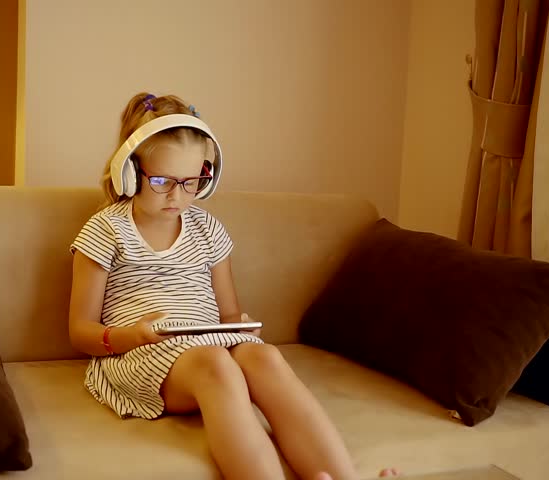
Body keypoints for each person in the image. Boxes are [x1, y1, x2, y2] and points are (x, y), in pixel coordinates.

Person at [68, 92, 397, 480]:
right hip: (139, 354)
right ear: (129, 173)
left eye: (191, 182)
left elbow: (227, 314)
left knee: (264, 357)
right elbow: (80, 331)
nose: (177, 196)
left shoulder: (208, 229)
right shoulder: (106, 230)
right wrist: (133, 336)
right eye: (162, 181)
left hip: (209, 345)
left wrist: (240, 326)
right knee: (217, 365)